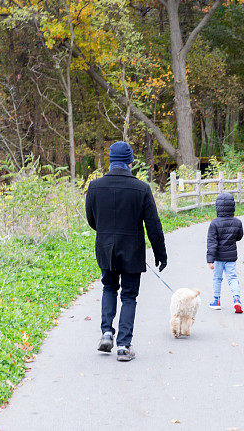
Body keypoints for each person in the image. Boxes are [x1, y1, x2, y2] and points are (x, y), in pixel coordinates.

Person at [85, 141, 167, 362]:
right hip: (132, 250)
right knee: (129, 295)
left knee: (109, 287)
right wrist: (161, 253)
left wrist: (106, 232)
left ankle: (106, 332)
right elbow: (153, 225)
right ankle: (123, 345)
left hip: (106, 248)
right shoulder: (141, 189)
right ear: (130, 162)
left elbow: (92, 220)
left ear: (111, 161)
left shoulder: (94, 187)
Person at [206, 192, 244, 314]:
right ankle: (236, 299)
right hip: (231, 257)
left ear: (218, 207)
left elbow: (212, 242)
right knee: (232, 278)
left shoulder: (214, 223)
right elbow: (239, 237)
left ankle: (216, 301)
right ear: (232, 206)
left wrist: (210, 259)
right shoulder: (237, 222)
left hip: (218, 258)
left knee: (217, 278)